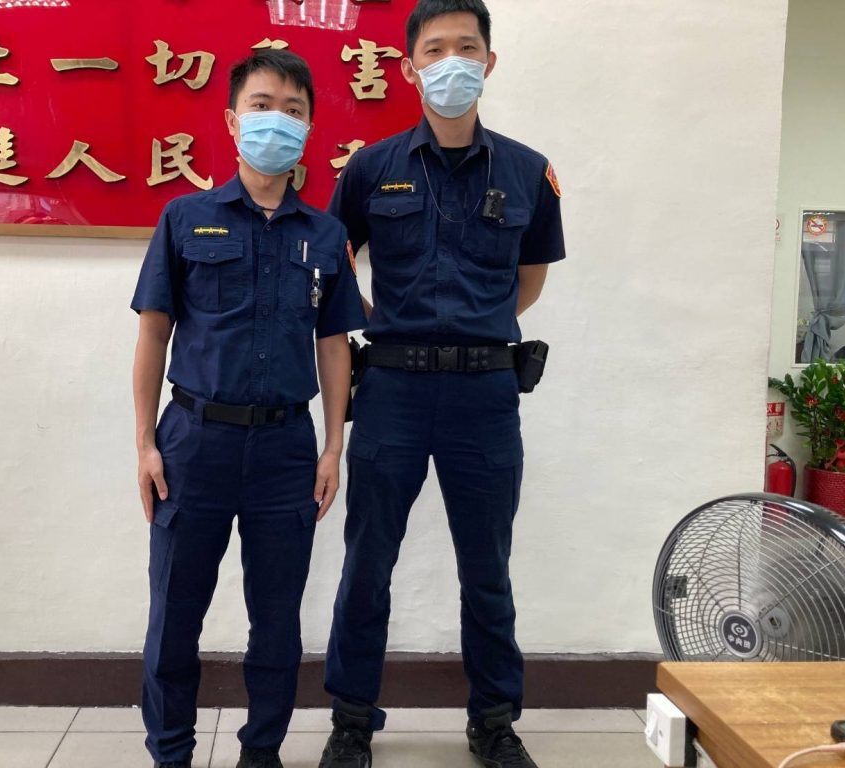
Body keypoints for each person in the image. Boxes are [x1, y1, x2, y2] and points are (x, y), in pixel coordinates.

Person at [317, 1, 565, 766]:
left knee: (487, 569)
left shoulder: (527, 171)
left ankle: (493, 721)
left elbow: (529, 280)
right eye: (434, 49)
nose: (451, 61)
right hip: (391, 390)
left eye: (466, 47)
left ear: (488, 62)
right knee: (368, 564)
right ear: (409, 67)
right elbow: (333, 265)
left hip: (484, 396)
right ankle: (351, 721)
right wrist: (384, 322)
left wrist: (477, 326)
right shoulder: (372, 167)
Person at [132, 49, 367, 768]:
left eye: (293, 111)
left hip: (284, 451)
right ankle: (171, 753)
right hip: (193, 443)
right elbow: (153, 334)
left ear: (309, 129)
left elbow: (334, 346)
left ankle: (260, 751)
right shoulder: (185, 218)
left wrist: (333, 448)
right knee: (175, 615)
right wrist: (145, 444)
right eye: (262, 106)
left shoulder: (325, 235)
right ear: (233, 121)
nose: (277, 121)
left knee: (277, 621)